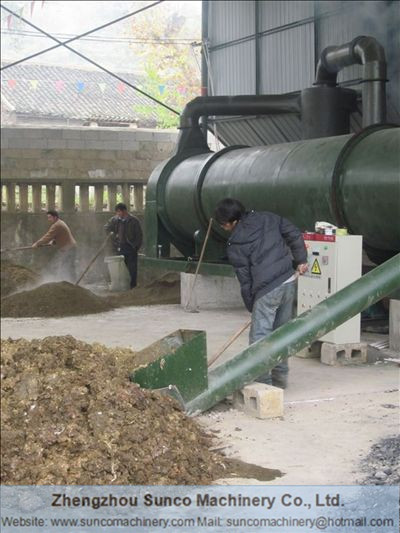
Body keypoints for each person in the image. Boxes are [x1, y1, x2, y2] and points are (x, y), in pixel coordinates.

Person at [214, 198, 308, 388]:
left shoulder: (235, 243)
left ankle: (262, 383)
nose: (224, 228)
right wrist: (301, 260)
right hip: (288, 281)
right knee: (282, 333)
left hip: (266, 289)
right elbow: (294, 234)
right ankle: (280, 380)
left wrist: (252, 304)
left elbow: (245, 278)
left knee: (260, 337)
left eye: (224, 224)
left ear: (233, 222)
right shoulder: (269, 218)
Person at [105, 202, 143, 289]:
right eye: (117, 212)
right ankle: (122, 285)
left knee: (132, 268)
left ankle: (133, 286)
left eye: (120, 212)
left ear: (125, 211)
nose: (118, 214)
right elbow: (106, 227)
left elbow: (139, 236)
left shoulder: (134, 221)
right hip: (118, 246)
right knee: (120, 267)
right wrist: (113, 235)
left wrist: (135, 247)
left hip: (130, 247)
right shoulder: (114, 220)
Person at [32, 209, 77, 282]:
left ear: (55, 217)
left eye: (50, 217)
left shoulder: (57, 225)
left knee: (66, 267)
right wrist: (54, 241)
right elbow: (61, 235)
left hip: (68, 248)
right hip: (69, 247)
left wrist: (37, 244)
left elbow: (47, 237)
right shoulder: (60, 222)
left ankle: (70, 284)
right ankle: (71, 283)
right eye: (48, 217)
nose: (48, 219)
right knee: (68, 267)